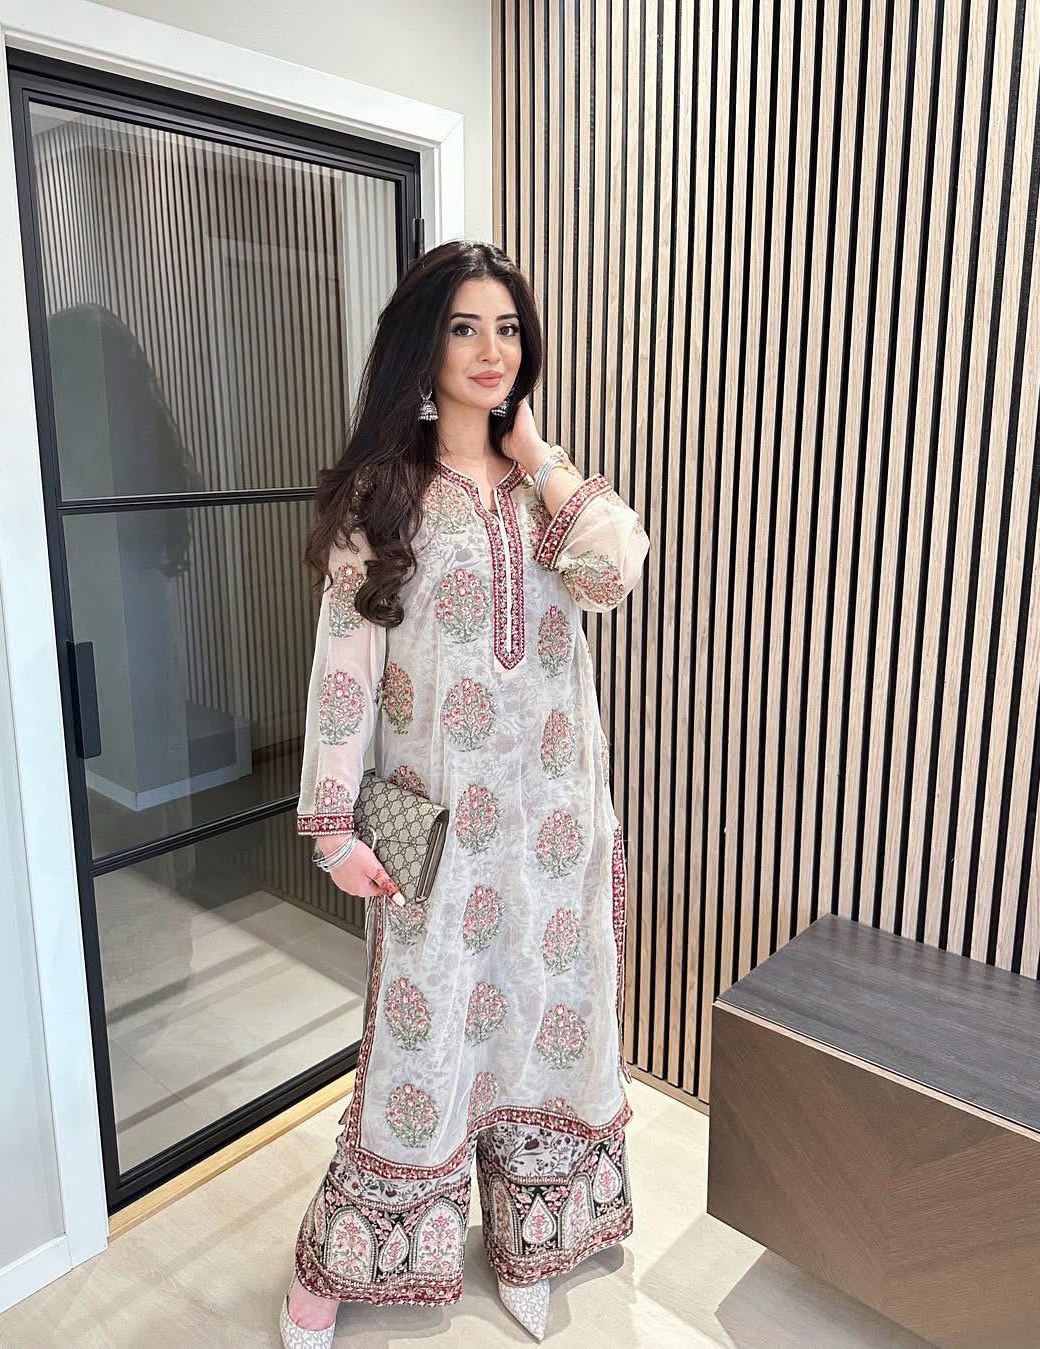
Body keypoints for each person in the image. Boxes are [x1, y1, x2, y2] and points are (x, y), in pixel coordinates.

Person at [279, 239, 649, 1346]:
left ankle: (537, 1240)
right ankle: (345, 1253)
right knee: (421, 1043)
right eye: (464, 327)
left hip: (554, 828)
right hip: (437, 837)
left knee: (547, 1025)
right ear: (423, 345)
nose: (492, 351)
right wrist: (332, 826)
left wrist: (535, 450)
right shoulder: (383, 499)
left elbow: (618, 569)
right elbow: (344, 673)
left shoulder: (546, 493)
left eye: (509, 329)